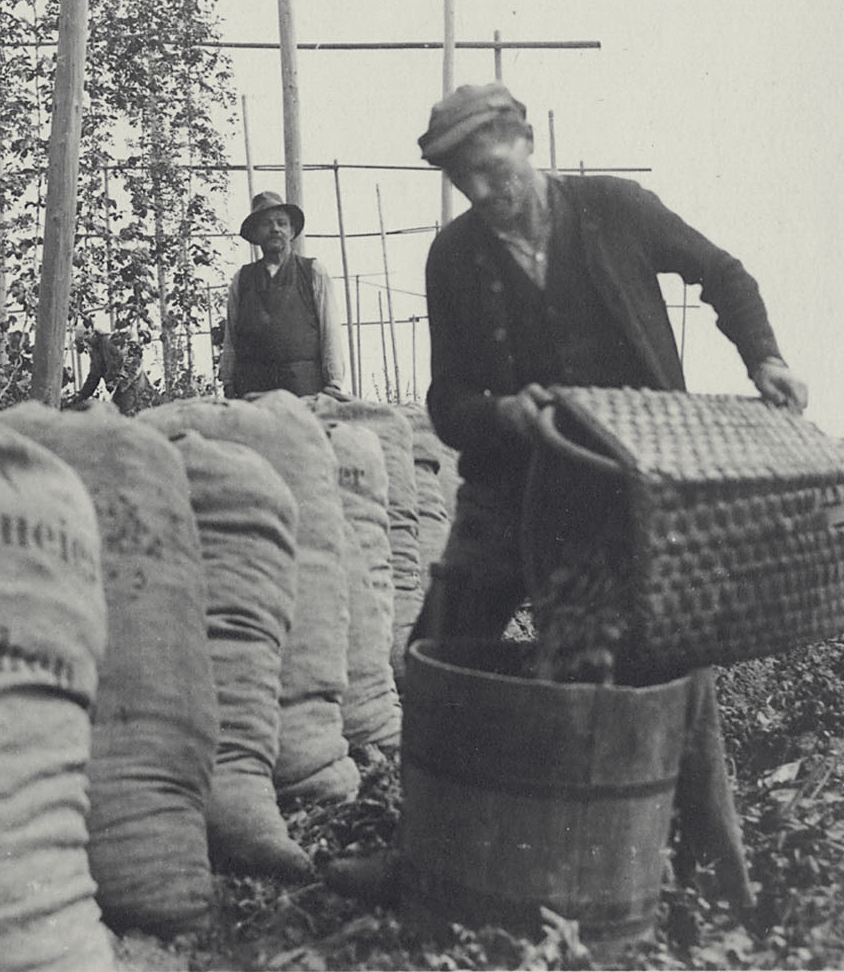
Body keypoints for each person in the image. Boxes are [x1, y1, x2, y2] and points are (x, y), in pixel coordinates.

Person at [328, 82, 807, 909]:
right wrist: (504, 414)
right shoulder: (455, 258)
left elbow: (722, 273)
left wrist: (762, 357)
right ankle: (424, 857)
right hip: (511, 494)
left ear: (525, 138)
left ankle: (710, 871)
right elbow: (447, 403)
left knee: (665, 670)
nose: (483, 191)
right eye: (463, 181)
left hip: (632, 490)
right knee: (436, 653)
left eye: (490, 167)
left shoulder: (614, 209)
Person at [218, 191, 351, 400]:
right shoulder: (242, 279)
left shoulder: (313, 272)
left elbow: (330, 330)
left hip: (303, 388)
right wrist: (227, 380)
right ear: (255, 234)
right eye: (266, 224)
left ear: (292, 231)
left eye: (282, 223)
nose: (275, 229)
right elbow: (231, 337)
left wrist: (334, 381)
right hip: (253, 390)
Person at [67, 324, 152, 415]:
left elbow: (134, 358)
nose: (85, 347)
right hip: (119, 390)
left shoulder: (110, 342)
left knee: (128, 417)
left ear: (89, 334)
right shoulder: (95, 352)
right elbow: (94, 377)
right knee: (117, 415)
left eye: (84, 342)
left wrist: (120, 382)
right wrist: (81, 396)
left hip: (134, 385)